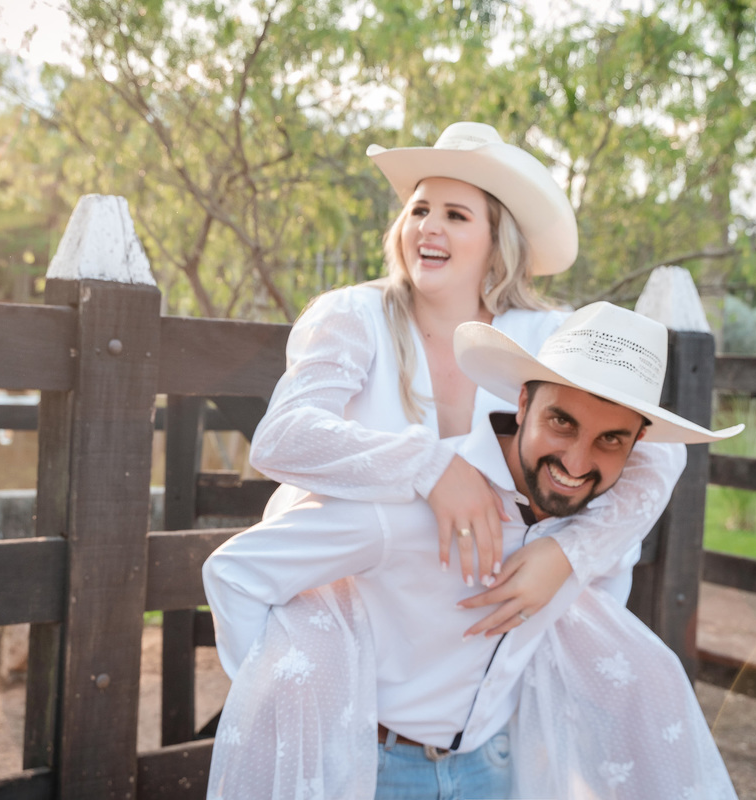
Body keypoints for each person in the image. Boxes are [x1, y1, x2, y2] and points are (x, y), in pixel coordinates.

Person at [204, 302, 743, 799]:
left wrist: (567, 554)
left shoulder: (600, 515)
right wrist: (292, 699)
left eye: (611, 440)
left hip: (496, 765)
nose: (578, 462)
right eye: (562, 421)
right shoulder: (409, 505)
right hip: (386, 770)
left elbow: (663, 464)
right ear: (525, 401)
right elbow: (237, 574)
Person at [248, 121, 682, 631]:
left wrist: (569, 553)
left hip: (489, 602)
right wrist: (428, 465)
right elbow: (281, 438)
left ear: (497, 243)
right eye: (419, 210)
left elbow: (658, 453)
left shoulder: (546, 333)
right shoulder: (354, 316)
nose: (429, 228)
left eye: (455, 215)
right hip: (365, 594)